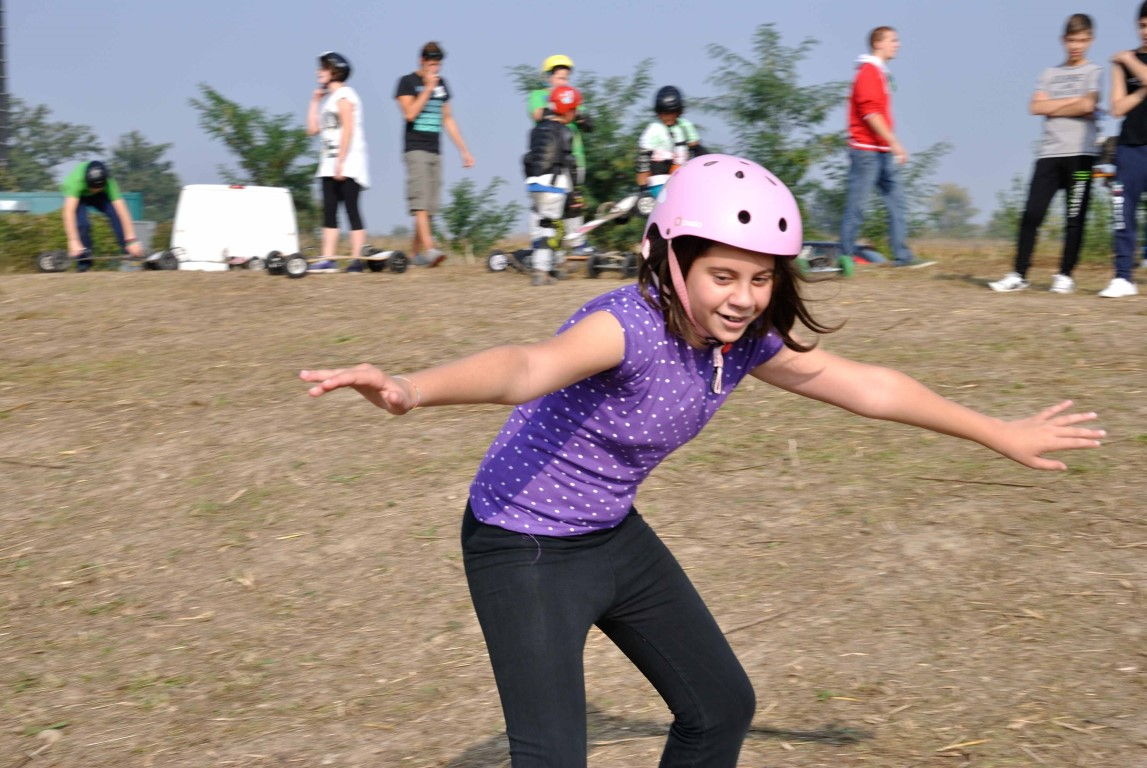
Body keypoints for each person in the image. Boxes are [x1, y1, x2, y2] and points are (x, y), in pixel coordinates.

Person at [300, 154, 1104, 767]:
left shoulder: (743, 342)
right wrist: (409, 389)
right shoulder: (627, 326)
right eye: (722, 274)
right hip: (522, 542)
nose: (743, 296)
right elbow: (524, 368)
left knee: (719, 707)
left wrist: (995, 431)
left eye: (759, 277)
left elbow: (866, 386)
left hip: (609, 534)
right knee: (551, 759)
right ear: (669, 259)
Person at [990, 15, 1101, 294]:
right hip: (1049, 154)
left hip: (1081, 155)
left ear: (1090, 40)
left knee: (1074, 218)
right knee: (1031, 214)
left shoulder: (1094, 72)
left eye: (1082, 40)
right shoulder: (1049, 74)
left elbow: (1088, 105)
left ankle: (1065, 275)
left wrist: (1054, 105)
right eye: (1072, 40)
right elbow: (1035, 107)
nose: (1076, 46)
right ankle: (1019, 274)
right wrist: (1073, 103)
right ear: (1063, 40)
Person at [840, 26, 929, 268]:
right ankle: (845, 257)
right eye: (893, 40)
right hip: (865, 151)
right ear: (878, 43)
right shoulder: (868, 72)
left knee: (897, 202)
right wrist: (895, 142)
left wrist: (889, 146)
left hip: (881, 152)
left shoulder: (879, 72)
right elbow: (870, 114)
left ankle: (903, 257)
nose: (897, 44)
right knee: (857, 205)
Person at [394, 41, 475, 268]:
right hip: (415, 148)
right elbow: (410, 114)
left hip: (435, 149)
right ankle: (430, 249)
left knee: (430, 206)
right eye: (431, 62)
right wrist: (427, 89)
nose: (435, 67)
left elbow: (447, 118)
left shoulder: (443, 85)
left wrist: (464, 150)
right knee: (419, 201)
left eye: (438, 63)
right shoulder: (406, 82)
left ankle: (414, 255)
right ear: (422, 60)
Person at [307, 51, 370, 273]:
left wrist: (341, 162)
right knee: (329, 211)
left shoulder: (345, 95)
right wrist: (315, 101)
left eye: (323, 68)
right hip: (328, 163)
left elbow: (348, 128)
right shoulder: (329, 100)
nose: (319, 71)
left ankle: (357, 260)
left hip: (348, 162)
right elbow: (312, 130)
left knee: (351, 209)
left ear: (335, 71)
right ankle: (328, 259)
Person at [1101, 1, 1147, 298]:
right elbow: (1117, 108)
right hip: (1130, 147)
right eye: (1142, 25)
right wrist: (1142, 90)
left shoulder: (1125, 59)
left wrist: (1129, 60)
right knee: (1123, 212)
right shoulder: (1122, 63)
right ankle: (1123, 277)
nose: (1146, 31)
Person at [527, 55, 592, 253]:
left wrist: (578, 115)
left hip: (574, 156)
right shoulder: (539, 95)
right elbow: (537, 114)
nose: (564, 82)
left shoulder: (572, 95)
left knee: (574, 201)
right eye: (560, 78)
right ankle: (539, 242)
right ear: (549, 77)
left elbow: (587, 123)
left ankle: (577, 243)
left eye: (566, 78)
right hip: (550, 159)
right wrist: (559, 108)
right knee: (543, 202)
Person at [523, 85, 583, 286]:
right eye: (574, 110)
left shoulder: (536, 129)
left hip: (534, 184)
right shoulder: (565, 132)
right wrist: (575, 191)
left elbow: (527, 158)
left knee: (545, 224)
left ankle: (554, 265)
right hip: (554, 185)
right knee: (550, 228)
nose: (575, 114)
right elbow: (569, 163)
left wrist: (531, 181)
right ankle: (541, 271)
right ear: (567, 111)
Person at [59, 160, 144, 272]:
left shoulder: (109, 182)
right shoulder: (75, 182)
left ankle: (130, 253)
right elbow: (68, 212)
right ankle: (84, 262)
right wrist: (73, 241)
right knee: (82, 224)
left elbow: (122, 211)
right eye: (92, 187)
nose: (94, 190)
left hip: (101, 196)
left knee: (115, 215)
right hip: (79, 197)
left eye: (98, 187)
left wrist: (131, 240)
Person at [635, 86, 705, 201]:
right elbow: (643, 161)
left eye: (670, 113)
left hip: (681, 175)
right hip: (658, 178)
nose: (666, 117)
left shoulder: (685, 126)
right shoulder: (653, 129)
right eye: (663, 113)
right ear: (659, 113)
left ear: (678, 112)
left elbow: (697, 149)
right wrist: (643, 190)